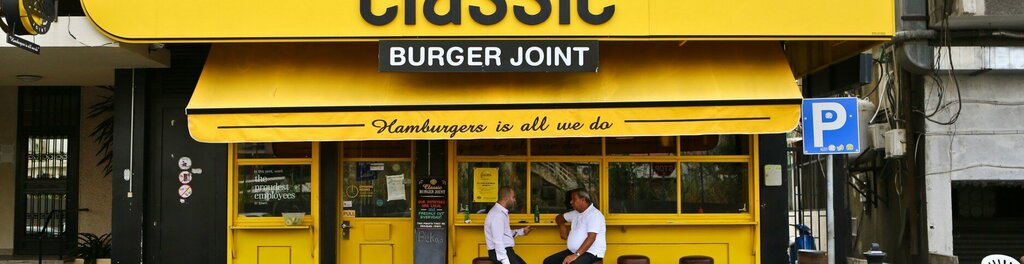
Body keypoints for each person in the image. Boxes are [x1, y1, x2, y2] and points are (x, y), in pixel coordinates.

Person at [543, 188, 606, 264]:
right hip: (574, 251)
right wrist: (561, 226)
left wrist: (576, 255)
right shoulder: (576, 213)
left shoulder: (594, 214)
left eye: (574, 199)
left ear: (583, 200)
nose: (571, 202)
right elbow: (559, 218)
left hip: (591, 252)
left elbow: (591, 238)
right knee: (548, 262)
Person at [485, 186, 534, 264]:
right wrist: (505, 261)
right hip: (500, 252)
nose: (514, 200)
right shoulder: (497, 214)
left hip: (506, 250)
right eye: (513, 197)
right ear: (506, 198)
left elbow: (504, 234)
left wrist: (521, 231)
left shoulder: (501, 212)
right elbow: (498, 240)